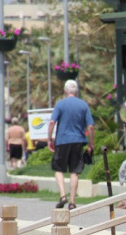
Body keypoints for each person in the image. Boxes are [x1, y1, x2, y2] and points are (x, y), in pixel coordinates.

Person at [47, 79, 95, 210]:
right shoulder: (83, 105)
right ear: (77, 91)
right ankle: (72, 201)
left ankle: (63, 195)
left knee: (58, 169)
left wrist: (49, 139)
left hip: (62, 140)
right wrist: (91, 143)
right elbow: (90, 126)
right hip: (78, 141)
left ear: (65, 91)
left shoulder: (60, 104)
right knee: (75, 171)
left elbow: (52, 122)